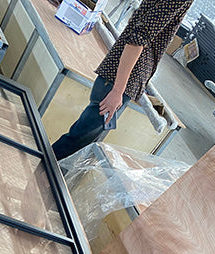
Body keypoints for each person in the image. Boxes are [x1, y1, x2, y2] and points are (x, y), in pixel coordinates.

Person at [52, 0, 194, 160]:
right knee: (74, 142)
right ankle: (39, 169)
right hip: (120, 79)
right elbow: (139, 38)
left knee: (81, 141)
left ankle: (45, 168)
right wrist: (118, 90)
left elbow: (140, 24)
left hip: (122, 76)